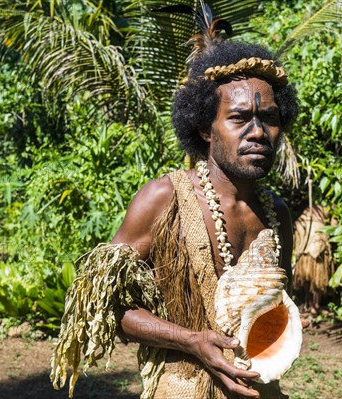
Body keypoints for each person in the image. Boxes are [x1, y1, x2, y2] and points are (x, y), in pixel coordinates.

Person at [50, 34, 299, 399]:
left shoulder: (277, 214)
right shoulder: (163, 200)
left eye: (269, 118)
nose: (258, 132)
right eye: (239, 118)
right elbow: (105, 309)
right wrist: (190, 340)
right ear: (204, 129)